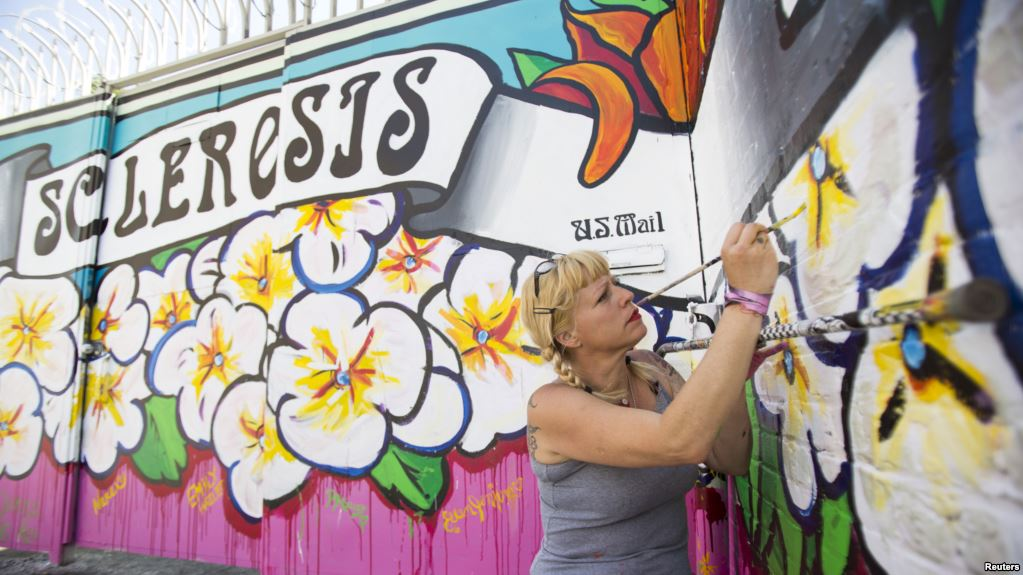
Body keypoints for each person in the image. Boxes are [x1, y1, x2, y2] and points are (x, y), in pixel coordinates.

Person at [520, 222, 779, 574]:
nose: (624, 295)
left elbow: (732, 458)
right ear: (569, 335)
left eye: (614, 284)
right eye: (603, 296)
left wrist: (731, 379)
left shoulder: (653, 370)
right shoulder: (550, 407)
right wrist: (746, 304)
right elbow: (678, 441)